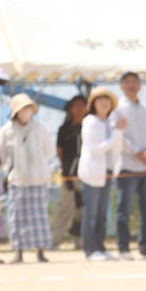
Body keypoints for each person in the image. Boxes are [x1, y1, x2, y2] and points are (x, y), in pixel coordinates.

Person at [113, 71, 146, 260]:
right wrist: (137, 152)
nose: (131, 85)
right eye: (127, 82)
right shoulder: (117, 110)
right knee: (124, 211)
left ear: (139, 85)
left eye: (134, 81)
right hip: (127, 166)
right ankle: (123, 248)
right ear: (121, 86)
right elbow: (118, 137)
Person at [0, 93, 54, 263]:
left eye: (29, 108)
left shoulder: (39, 128)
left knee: (39, 216)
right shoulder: (6, 131)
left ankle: (40, 251)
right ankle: (18, 251)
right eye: (23, 109)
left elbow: (48, 151)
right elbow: (1, 155)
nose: (26, 112)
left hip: (38, 178)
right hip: (17, 181)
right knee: (17, 216)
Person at [78, 87, 126, 261]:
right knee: (90, 213)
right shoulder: (90, 121)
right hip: (92, 173)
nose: (104, 102)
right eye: (100, 99)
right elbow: (96, 150)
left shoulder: (110, 123)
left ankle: (100, 246)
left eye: (107, 99)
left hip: (108, 171)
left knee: (101, 214)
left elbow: (116, 148)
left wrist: (117, 132)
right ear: (93, 104)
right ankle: (90, 249)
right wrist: (118, 133)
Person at [51, 95, 88, 250]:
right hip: (68, 174)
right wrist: (68, 169)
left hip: (88, 175)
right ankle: (54, 241)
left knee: (84, 209)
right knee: (64, 208)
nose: (79, 108)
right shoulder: (64, 129)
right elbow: (60, 151)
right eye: (76, 105)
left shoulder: (91, 125)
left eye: (82, 105)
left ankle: (81, 240)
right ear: (70, 109)